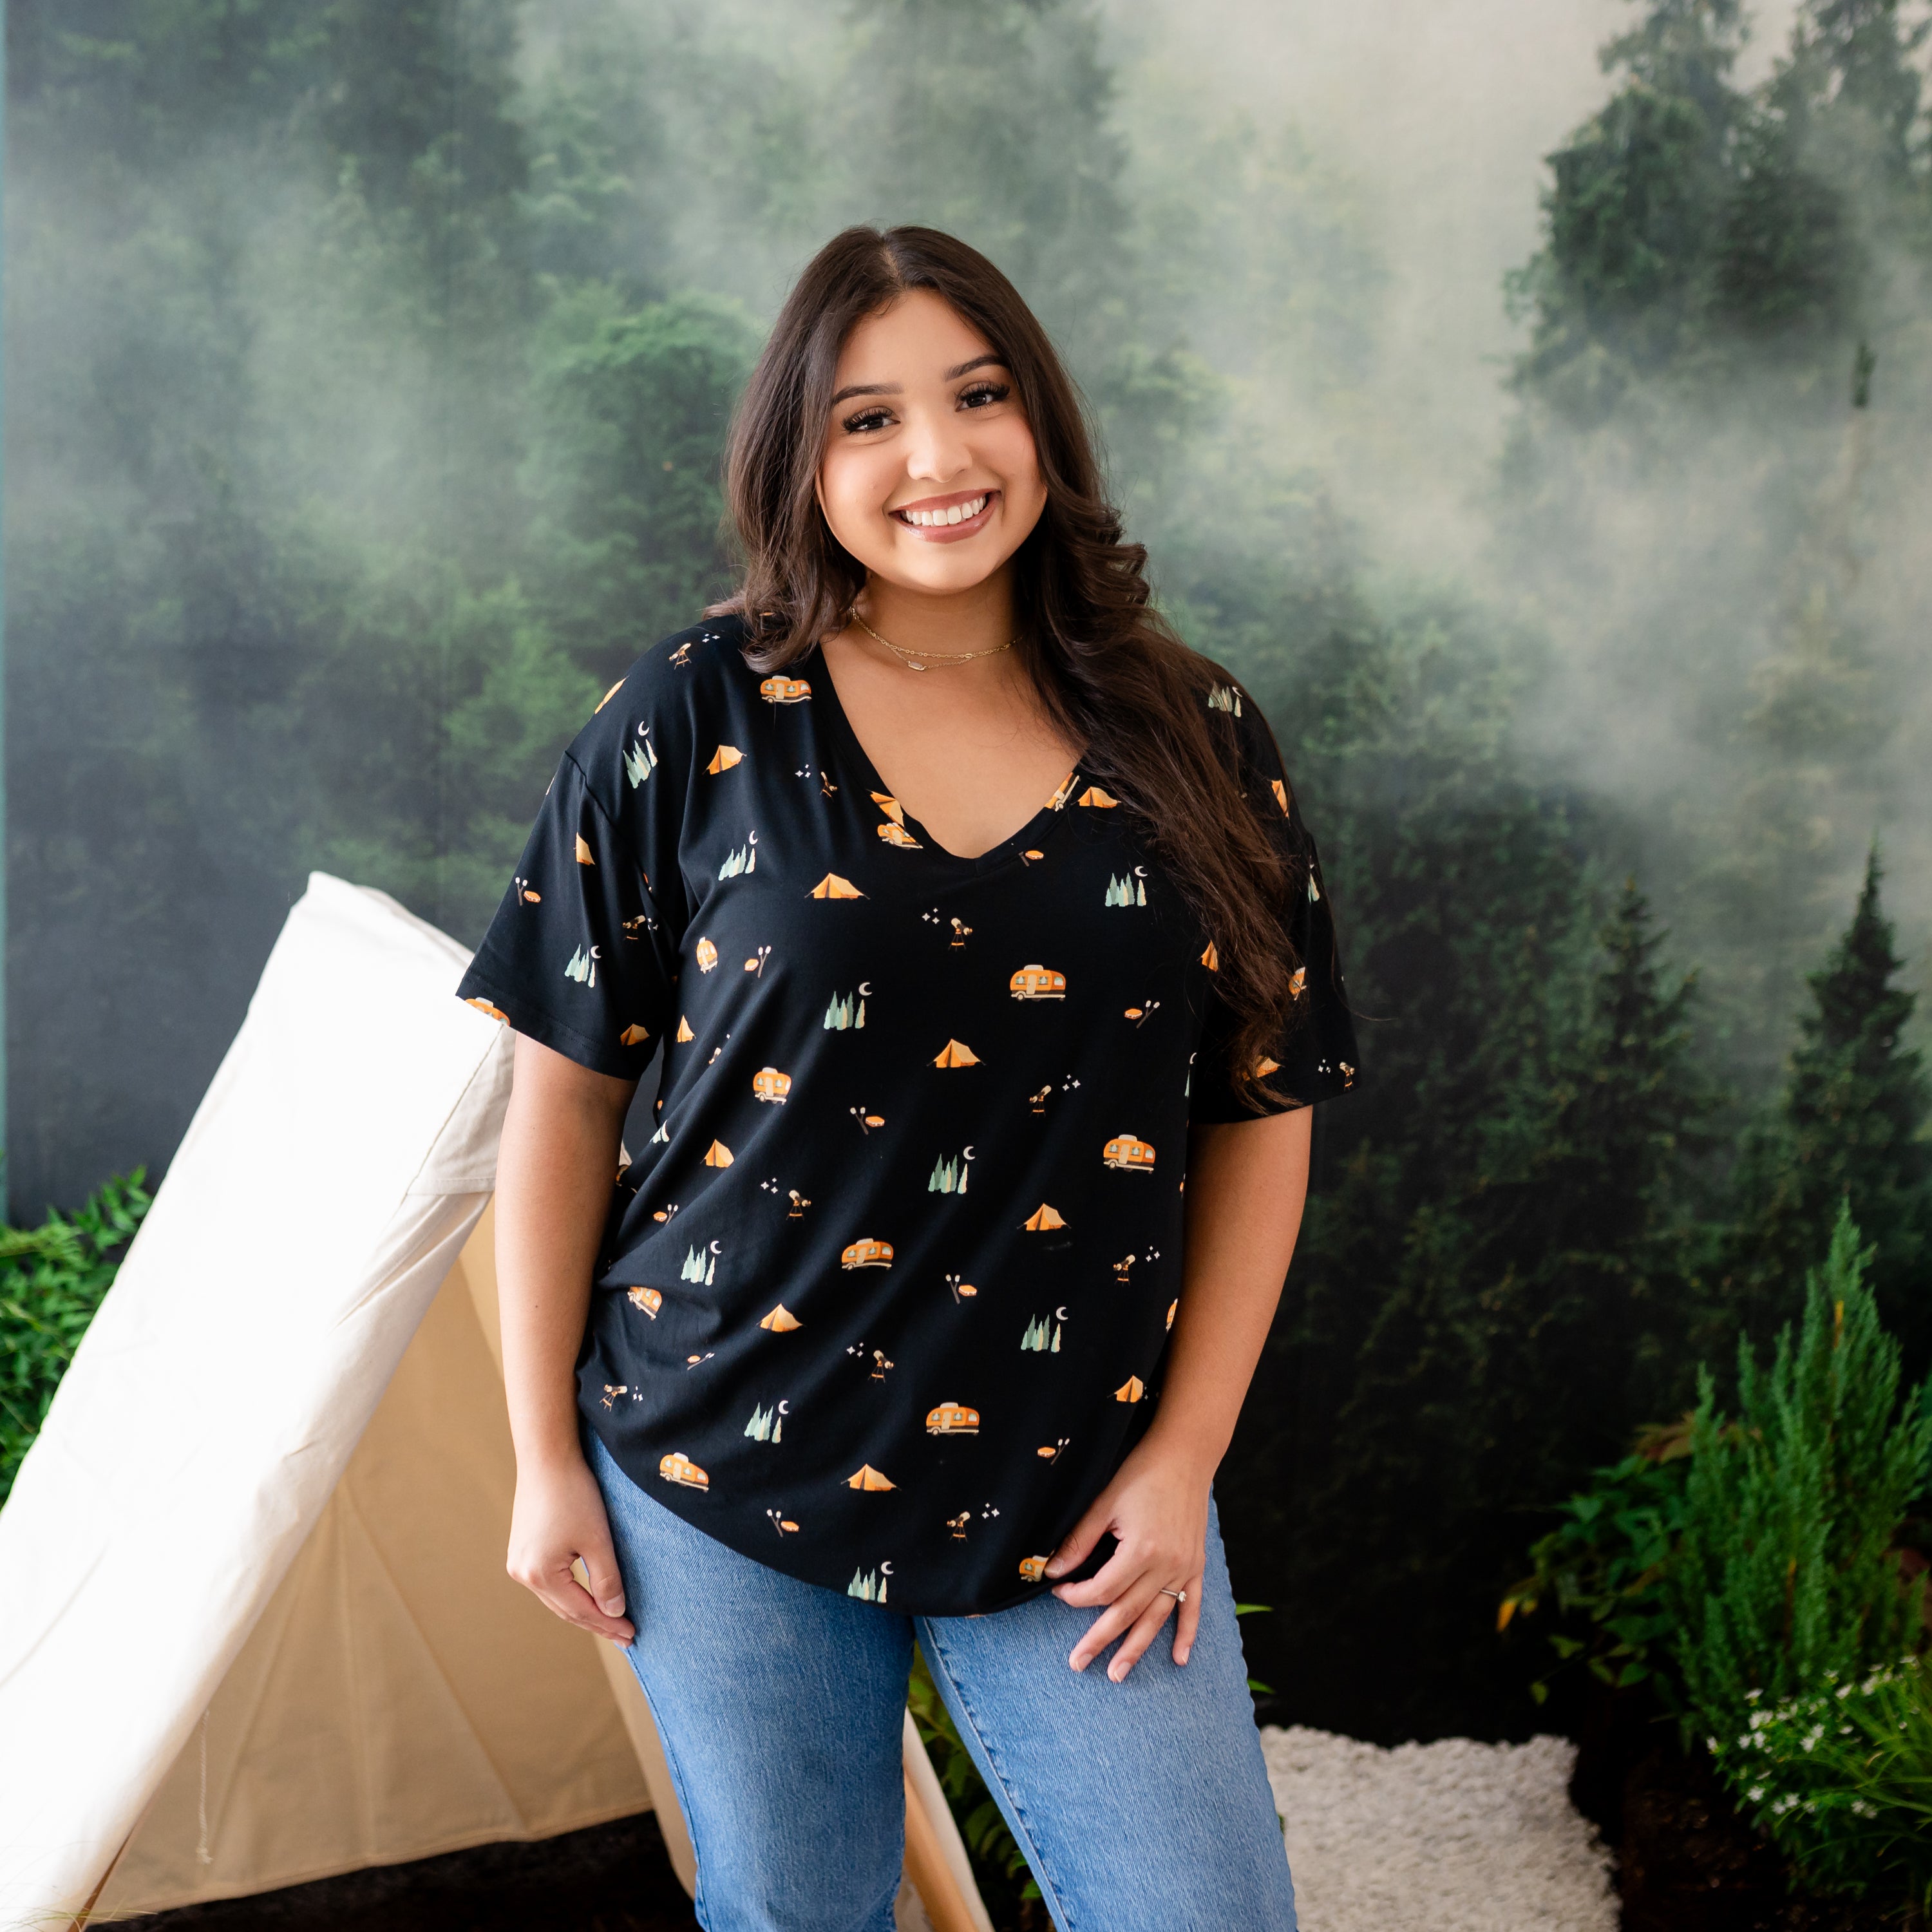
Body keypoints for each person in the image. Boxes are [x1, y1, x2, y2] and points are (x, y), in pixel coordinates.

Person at [456, 224, 1359, 1932]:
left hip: (1085, 1483)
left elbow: (1266, 1103)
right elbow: (562, 1098)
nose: (936, 458)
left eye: (979, 397)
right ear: (798, 459)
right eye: (867, 419)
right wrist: (540, 1455)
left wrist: (1183, 1461)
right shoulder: (689, 713)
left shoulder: (1199, 731)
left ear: (1047, 428)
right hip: (720, 1461)